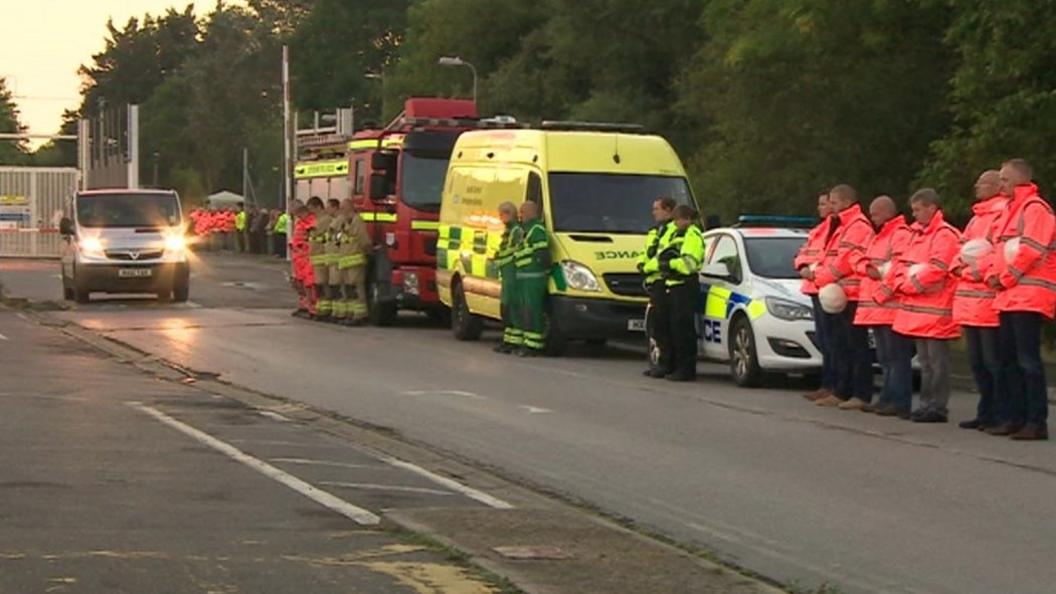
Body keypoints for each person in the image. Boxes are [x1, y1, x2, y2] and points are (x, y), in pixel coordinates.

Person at [986, 159, 1056, 440]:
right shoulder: (1009, 211)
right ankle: (1014, 417)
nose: (1000, 184)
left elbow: (1031, 250)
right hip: (1009, 297)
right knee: (1009, 360)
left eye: (1004, 179)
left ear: (1019, 180)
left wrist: (1003, 278)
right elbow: (999, 250)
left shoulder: (1035, 208)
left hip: (1028, 296)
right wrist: (993, 274)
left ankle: (1036, 421)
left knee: (1027, 360)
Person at [889, 189, 962, 423]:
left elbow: (939, 268)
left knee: (937, 362)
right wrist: (901, 282)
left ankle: (937, 407)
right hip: (917, 311)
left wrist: (911, 284)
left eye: (918, 209)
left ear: (932, 207)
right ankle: (925, 404)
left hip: (936, 310)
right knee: (925, 362)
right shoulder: (915, 234)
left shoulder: (945, 234)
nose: (915, 214)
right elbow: (901, 262)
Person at [950, 170, 1007, 431]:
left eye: (982, 183)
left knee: (994, 363)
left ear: (996, 186)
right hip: (969, 305)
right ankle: (985, 412)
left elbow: (998, 253)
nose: (976, 186)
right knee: (978, 363)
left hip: (988, 304)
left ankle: (1000, 412)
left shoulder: (1001, 214)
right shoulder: (975, 219)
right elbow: (960, 249)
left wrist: (972, 271)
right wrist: (958, 268)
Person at [812, 184, 875, 407]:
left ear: (847, 202)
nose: (832, 207)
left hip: (852, 293)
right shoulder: (843, 225)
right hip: (840, 293)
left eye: (835, 202)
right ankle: (842, 390)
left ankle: (861, 393)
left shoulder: (857, 226)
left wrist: (820, 277)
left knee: (855, 346)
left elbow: (845, 260)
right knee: (841, 345)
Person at [854, 195, 911, 413]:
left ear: (888, 212)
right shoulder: (876, 236)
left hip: (891, 306)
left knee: (897, 357)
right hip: (875, 307)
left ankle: (899, 401)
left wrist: (883, 286)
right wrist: (866, 269)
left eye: (876, 212)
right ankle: (887, 398)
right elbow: (859, 258)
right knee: (885, 358)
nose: (872, 216)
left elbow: (899, 265)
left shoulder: (899, 234)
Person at [657, 205, 705, 381]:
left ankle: (686, 369)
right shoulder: (681, 234)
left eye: (677, 220)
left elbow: (689, 264)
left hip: (685, 285)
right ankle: (676, 367)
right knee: (675, 328)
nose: (675, 223)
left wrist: (670, 265)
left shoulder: (692, 235)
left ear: (686, 219)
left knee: (683, 330)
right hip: (675, 285)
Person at [796, 191, 837, 400]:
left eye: (823, 204)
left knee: (831, 341)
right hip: (814, 286)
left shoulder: (833, 228)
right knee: (824, 339)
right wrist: (801, 265)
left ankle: (832, 385)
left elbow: (825, 258)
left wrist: (814, 273)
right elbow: (804, 252)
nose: (819, 208)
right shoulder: (819, 230)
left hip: (826, 287)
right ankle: (827, 384)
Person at [638, 197, 677, 377]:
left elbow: (663, 257)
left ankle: (666, 364)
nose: (654, 212)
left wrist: (648, 267)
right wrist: (640, 264)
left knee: (663, 326)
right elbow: (647, 251)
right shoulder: (657, 230)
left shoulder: (673, 230)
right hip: (654, 283)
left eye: (657, 209)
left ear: (668, 210)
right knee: (656, 326)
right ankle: (659, 363)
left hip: (663, 282)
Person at [513, 200, 550, 356]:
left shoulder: (537, 230)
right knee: (526, 311)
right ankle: (527, 343)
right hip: (525, 278)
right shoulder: (526, 230)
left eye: (522, 213)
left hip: (534, 278)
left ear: (528, 213)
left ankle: (534, 345)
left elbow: (542, 254)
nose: (520, 216)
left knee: (533, 311)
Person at [493, 201, 524, 353]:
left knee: (512, 308)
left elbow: (513, 250)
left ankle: (514, 342)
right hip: (507, 274)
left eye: (501, 215)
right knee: (506, 309)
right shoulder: (510, 230)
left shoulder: (516, 230)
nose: (500, 218)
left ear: (508, 214)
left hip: (513, 274)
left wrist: (498, 258)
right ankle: (508, 340)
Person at [336, 199, 371, 325]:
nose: (341, 211)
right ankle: (351, 314)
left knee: (357, 289)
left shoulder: (358, 221)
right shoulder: (344, 223)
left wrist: (368, 252)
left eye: (343, 208)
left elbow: (364, 240)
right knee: (349, 290)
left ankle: (360, 315)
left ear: (350, 208)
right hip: (345, 261)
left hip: (355, 260)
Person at [307, 197, 333, 319]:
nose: (311, 212)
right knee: (318, 284)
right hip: (316, 256)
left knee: (323, 283)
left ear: (318, 206)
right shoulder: (317, 219)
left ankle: (326, 309)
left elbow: (317, 234)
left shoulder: (326, 220)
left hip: (322, 255)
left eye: (312, 209)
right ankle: (321, 308)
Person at [290, 201, 315, 318]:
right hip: (298, 258)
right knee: (298, 283)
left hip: (306, 257)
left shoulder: (311, 221)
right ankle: (303, 306)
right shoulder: (300, 222)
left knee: (309, 284)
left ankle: (311, 308)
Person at [324, 199, 344, 321]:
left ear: (335, 207)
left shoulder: (340, 220)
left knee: (338, 286)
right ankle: (336, 312)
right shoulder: (335, 220)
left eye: (329, 207)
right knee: (333, 285)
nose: (327, 210)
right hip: (332, 258)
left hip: (337, 258)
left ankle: (340, 313)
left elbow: (338, 238)